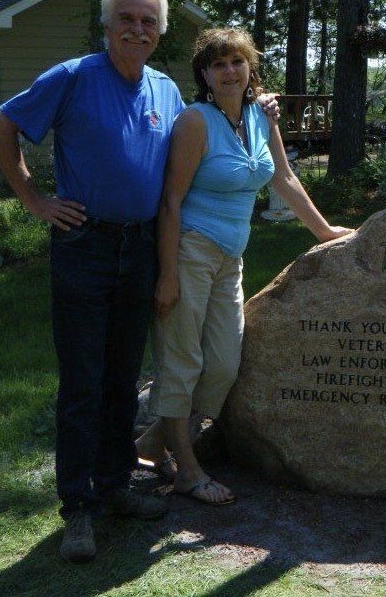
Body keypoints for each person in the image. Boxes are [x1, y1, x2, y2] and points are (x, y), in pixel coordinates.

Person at [0, 0, 278, 562]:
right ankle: (78, 510)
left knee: (122, 376)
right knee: (84, 382)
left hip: (140, 247)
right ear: (107, 24)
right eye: (127, 18)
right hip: (84, 246)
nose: (137, 29)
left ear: (160, 30)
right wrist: (36, 201)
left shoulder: (166, 90)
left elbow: (211, 131)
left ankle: (116, 486)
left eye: (148, 21)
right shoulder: (72, 77)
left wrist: (257, 103)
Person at [134, 28, 351, 505]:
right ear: (205, 76)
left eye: (238, 62)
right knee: (182, 358)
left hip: (231, 257)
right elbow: (170, 201)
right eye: (218, 65)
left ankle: (154, 442)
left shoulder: (260, 116)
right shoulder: (196, 121)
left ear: (250, 68)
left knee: (225, 363)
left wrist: (324, 231)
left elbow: (285, 177)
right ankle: (188, 472)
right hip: (189, 250)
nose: (230, 71)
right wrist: (167, 274)